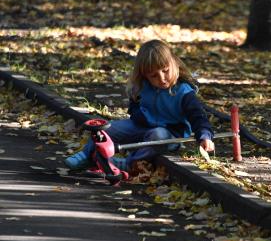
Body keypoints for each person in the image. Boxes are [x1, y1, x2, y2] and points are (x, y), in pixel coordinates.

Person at [64, 39, 215, 172]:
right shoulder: (143, 87)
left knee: (157, 135)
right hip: (141, 126)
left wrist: (204, 135)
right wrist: (140, 116)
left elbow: (198, 116)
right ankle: (86, 155)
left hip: (169, 134)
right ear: (145, 75)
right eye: (154, 76)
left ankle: (129, 163)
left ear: (173, 63)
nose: (162, 79)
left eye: (165, 71)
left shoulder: (183, 92)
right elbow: (134, 106)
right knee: (108, 129)